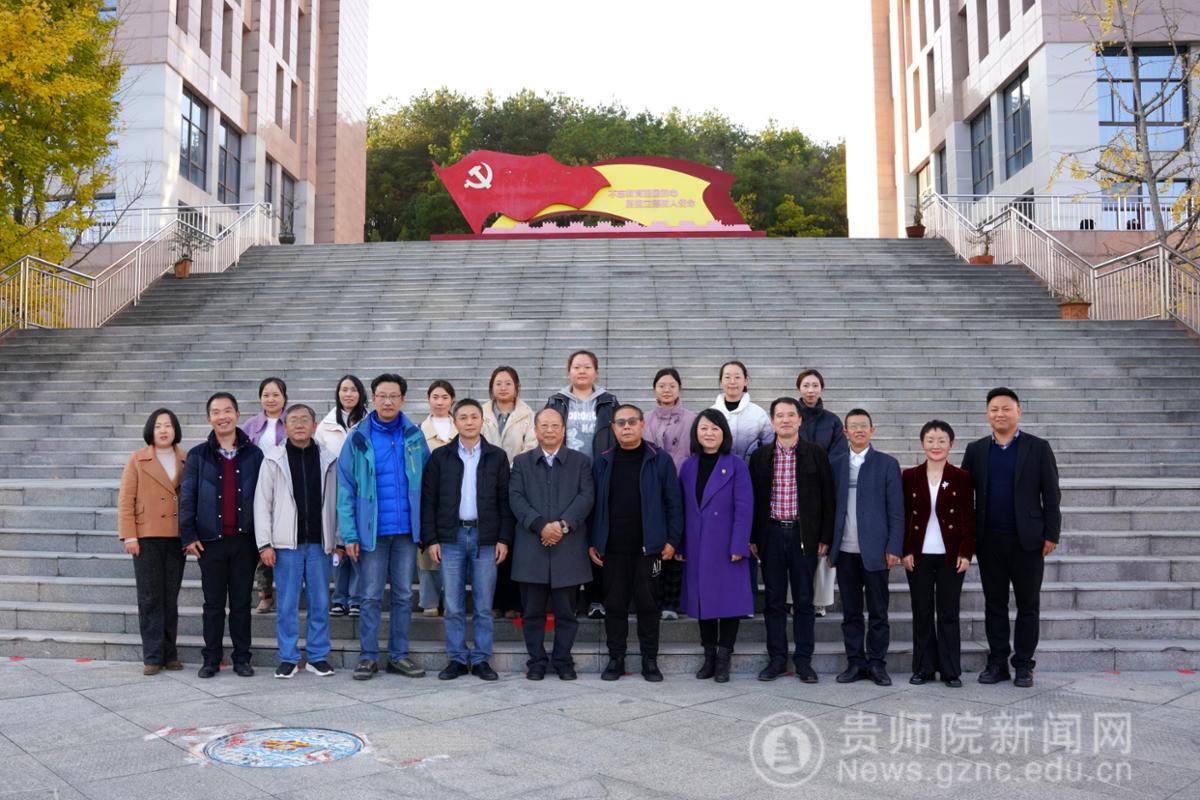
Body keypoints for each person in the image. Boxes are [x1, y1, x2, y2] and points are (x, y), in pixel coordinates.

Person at [961, 387, 1060, 688]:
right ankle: (997, 662)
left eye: (1006, 408)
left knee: (1028, 604)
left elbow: (1051, 493)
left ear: (1018, 411)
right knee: (995, 603)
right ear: (987, 413)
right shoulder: (976, 450)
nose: (1000, 414)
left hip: (1027, 540)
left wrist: (1052, 533)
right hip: (989, 540)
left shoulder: (1038, 447)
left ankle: (1024, 664)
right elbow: (965, 497)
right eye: (994, 409)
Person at [338, 373, 431, 681]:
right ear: (373, 399)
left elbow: (427, 484)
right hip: (372, 534)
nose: (388, 401)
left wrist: (425, 529)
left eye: (393, 396)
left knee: (403, 595)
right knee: (370, 596)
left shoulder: (414, 436)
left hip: (405, 533)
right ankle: (368, 657)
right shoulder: (358, 438)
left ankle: (399, 655)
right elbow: (346, 489)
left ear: (402, 399)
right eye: (382, 396)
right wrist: (349, 533)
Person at [421, 398, 515, 681]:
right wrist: (431, 539)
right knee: (453, 604)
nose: (470, 422)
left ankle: (482, 658)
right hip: (451, 537)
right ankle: (458, 658)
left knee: (484, 605)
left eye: (474, 417)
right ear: (455, 421)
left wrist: (503, 538)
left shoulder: (496, 456)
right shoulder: (441, 457)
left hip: (486, 538)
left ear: (482, 421)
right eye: (463, 417)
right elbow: (429, 500)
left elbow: (505, 501)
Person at [589, 404, 684, 682]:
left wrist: (672, 540)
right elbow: (594, 507)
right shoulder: (603, 461)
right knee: (615, 605)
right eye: (621, 423)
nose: (627, 427)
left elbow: (674, 503)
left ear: (643, 425)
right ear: (613, 428)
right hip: (613, 550)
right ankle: (615, 659)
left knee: (648, 605)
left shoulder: (659, 459)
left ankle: (649, 660)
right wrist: (594, 541)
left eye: (632, 421)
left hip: (650, 550)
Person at [180, 392, 265, 678]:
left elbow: (264, 498)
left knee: (241, 603)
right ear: (209, 419)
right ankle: (211, 659)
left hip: (245, 541)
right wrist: (188, 535)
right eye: (216, 412)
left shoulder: (254, 454)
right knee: (213, 605)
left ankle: (242, 658)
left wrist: (263, 539)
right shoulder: (197, 455)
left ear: (237, 415)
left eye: (228, 411)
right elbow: (188, 497)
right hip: (210, 542)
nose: (222, 417)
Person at [749, 398, 834, 684]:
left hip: (803, 535)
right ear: (772, 422)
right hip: (771, 534)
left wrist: (824, 536)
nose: (785, 420)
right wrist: (753, 537)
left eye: (790, 415)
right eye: (779, 416)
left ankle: (804, 661)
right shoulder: (761, 456)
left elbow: (828, 497)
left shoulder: (815, 453)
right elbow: (753, 501)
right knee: (774, 600)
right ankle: (776, 659)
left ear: (799, 420)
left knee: (804, 600)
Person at [508, 408, 595, 680]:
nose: (549, 430)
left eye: (555, 425)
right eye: (544, 425)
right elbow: (516, 497)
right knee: (532, 613)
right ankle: (536, 661)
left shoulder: (580, 462)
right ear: (535, 430)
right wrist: (540, 525)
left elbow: (586, 497)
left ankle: (563, 660)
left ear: (563, 429)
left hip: (567, 548)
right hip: (531, 547)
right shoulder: (521, 462)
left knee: (566, 613)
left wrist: (562, 525)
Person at [254, 404, 339, 679]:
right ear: (285, 426)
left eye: (305, 419)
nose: (300, 424)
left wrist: (338, 539)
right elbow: (262, 504)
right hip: (285, 546)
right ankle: (288, 657)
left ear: (314, 425)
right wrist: (265, 543)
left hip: (319, 544)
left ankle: (317, 656)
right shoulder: (273, 459)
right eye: (293, 420)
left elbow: (337, 503)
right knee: (287, 604)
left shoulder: (329, 459)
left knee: (320, 602)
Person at [829, 409, 904, 687]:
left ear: (872, 430)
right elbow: (829, 508)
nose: (859, 430)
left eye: (864, 425)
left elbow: (896, 510)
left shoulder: (887, 464)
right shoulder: (835, 464)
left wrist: (894, 546)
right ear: (845, 432)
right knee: (850, 612)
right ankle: (855, 662)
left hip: (876, 552)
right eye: (853, 426)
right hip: (845, 552)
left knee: (878, 612)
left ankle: (877, 663)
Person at [677, 409, 753, 683]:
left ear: (724, 433)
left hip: (726, 545)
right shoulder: (688, 466)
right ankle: (708, 656)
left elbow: (745, 508)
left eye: (715, 428)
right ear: (696, 433)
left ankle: (723, 658)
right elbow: (682, 508)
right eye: (704, 428)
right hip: (697, 544)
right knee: (703, 601)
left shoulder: (736, 465)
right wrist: (681, 544)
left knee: (729, 602)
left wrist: (739, 544)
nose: (709, 433)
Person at [902, 420, 975, 688]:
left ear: (951, 444)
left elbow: (968, 517)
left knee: (948, 613)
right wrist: (905, 550)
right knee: (921, 612)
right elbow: (903, 517)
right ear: (922, 444)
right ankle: (923, 668)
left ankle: (950, 670)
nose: (936, 445)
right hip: (919, 555)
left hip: (950, 556)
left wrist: (966, 552)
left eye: (942, 440)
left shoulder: (961, 477)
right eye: (931, 440)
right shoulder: (909, 476)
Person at [545, 349, 617, 620]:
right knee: (570, 538)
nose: (582, 371)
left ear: (596, 372)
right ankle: (570, 598)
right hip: (565, 476)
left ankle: (597, 598)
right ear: (569, 371)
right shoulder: (556, 401)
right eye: (577, 367)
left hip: (598, 475)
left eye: (587, 367)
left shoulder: (609, 402)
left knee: (597, 535)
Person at [117, 409, 187, 676]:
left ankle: (170, 654)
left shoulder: (186, 459)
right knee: (149, 597)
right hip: (146, 536)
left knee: (170, 597)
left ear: (175, 429)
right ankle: (152, 656)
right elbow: (126, 499)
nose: (163, 430)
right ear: (150, 430)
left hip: (176, 537)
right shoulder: (138, 459)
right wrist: (129, 535)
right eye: (158, 426)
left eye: (168, 425)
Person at [711, 360, 772, 614]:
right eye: (727, 377)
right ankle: (720, 597)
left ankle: (746, 600)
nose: (732, 382)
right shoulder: (711, 412)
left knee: (745, 540)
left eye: (737, 377)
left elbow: (769, 448)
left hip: (750, 485)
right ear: (720, 381)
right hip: (717, 489)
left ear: (746, 381)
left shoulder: (758, 414)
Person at [481, 366, 537, 619]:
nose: (503, 388)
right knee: (490, 544)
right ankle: (492, 602)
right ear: (491, 387)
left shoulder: (528, 415)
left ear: (517, 387)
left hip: (516, 484)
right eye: (498, 383)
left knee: (513, 544)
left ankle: (513, 601)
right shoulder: (480, 413)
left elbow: (530, 448)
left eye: (508, 383)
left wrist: (507, 470)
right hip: (484, 486)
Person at [643, 367, 695, 621]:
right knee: (654, 544)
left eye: (671, 385)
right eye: (662, 385)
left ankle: (672, 602)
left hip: (682, 488)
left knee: (676, 543)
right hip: (651, 490)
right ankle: (652, 599)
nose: (666, 390)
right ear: (654, 389)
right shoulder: (644, 419)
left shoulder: (692, 419)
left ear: (679, 388)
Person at [796, 368, 848, 618]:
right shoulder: (791, 415)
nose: (810, 390)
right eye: (806, 385)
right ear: (799, 388)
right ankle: (794, 598)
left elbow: (839, 454)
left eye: (815, 385)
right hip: (795, 488)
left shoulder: (832, 421)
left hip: (824, 488)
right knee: (796, 546)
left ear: (822, 389)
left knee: (822, 545)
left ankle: (820, 601)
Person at [315, 374, 367, 617]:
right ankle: (339, 597)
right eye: (344, 389)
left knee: (358, 542)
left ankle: (356, 597)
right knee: (337, 544)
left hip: (363, 490)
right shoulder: (325, 425)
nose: (348, 394)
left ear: (360, 393)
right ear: (338, 393)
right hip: (334, 489)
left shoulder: (369, 422)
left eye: (353, 389)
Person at [243, 377, 288, 614]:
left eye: (275, 395)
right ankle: (265, 594)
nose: (271, 399)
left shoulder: (292, 421)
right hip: (257, 489)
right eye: (266, 395)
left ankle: (287, 592)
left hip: (286, 489)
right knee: (262, 541)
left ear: (284, 397)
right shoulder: (250, 426)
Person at [417, 380, 457, 618]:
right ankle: (429, 600)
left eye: (444, 397)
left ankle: (452, 599)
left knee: (453, 551)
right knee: (427, 553)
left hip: (456, 498)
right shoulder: (418, 431)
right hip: (428, 495)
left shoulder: (461, 427)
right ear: (428, 399)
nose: (440, 402)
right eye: (435, 397)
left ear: (452, 400)